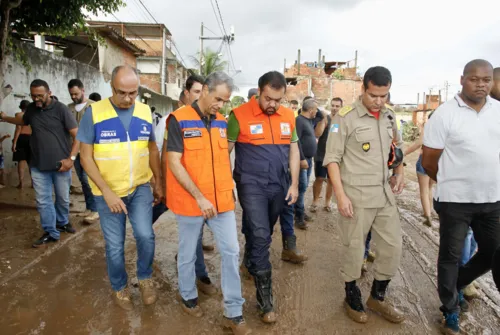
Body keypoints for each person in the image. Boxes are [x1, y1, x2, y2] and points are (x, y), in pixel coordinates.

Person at [166, 71, 251, 334]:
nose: (220, 105)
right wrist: (199, 197)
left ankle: (233, 312)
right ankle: (188, 296)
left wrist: (229, 189)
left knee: (230, 251)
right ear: (203, 90)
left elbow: (222, 160)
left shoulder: (222, 122)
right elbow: (173, 162)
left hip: (221, 201)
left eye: (225, 101)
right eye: (218, 98)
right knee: (189, 251)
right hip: (192, 201)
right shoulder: (178, 119)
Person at [422, 59, 500, 335]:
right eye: (475, 79)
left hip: (492, 200)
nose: (481, 84)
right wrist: (451, 182)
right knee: (450, 256)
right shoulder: (445, 114)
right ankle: (450, 310)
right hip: (455, 200)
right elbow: (430, 161)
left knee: (492, 252)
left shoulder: (498, 111)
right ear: (462, 79)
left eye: (486, 79)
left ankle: (457, 284)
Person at [324, 66, 405, 325]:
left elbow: (397, 148)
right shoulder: (344, 118)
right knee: (354, 249)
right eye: (374, 96)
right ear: (363, 89)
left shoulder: (390, 116)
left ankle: (377, 297)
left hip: (384, 194)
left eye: (384, 96)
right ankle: (352, 295)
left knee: (393, 247)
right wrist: (340, 196)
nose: (379, 101)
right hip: (356, 196)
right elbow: (332, 159)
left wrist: (399, 172)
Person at [77, 65, 163, 310]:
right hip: (108, 192)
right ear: (111, 87)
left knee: (146, 235)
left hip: (139, 188)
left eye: (133, 93)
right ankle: (119, 286)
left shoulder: (146, 112)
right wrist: (106, 191)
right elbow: (85, 157)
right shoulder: (93, 113)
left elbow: (152, 148)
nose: (127, 99)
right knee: (115, 245)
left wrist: (158, 180)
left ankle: (145, 278)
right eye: (121, 92)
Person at [228, 71, 300, 323]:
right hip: (251, 184)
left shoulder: (289, 116)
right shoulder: (238, 116)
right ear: (259, 92)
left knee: (265, 230)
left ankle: (250, 258)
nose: (273, 105)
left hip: (278, 185)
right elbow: (225, 150)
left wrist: (294, 184)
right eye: (268, 98)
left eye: (278, 100)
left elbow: (293, 150)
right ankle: (265, 301)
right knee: (261, 235)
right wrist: (225, 183)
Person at [0, 79, 79, 247]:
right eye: (33, 96)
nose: (36, 99)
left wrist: (71, 159)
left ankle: (63, 222)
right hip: (38, 165)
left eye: (40, 96)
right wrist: (6, 118)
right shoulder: (31, 110)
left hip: (61, 166)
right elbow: (23, 121)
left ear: (49, 93)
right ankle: (51, 231)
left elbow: (77, 135)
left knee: (63, 199)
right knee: (43, 201)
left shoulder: (61, 110)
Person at [161, 75, 217, 296]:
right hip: (181, 189)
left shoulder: (209, 121)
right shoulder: (174, 120)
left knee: (195, 231)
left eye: (203, 92)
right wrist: (160, 186)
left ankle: (192, 262)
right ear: (185, 94)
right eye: (196, 92)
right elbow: (165, 156)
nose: (200, 97)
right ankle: (198, 274)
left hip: (201, 190)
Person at [67, 79, 98, 223]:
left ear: (83, 90)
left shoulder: (94, 106)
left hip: (90, 151)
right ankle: (89, 207)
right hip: (75, 150)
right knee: (82, 180)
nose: (73, 97)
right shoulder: (68, 108)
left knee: (88, 180)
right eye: (71, 94)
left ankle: (96, 210)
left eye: (76, 93)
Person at [310, 98, 341, 213]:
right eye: (333, 105)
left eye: (337, 106)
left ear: (341, 107)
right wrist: (322, 121)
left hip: (336, 156)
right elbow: (317, 134)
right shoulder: (325, 119)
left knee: (332, 180)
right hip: (321, 154)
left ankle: (327, 203)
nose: (335, 108)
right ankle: (315, 201)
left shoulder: (343, 121)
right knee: (319, 178)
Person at [404, 115, 435, 227]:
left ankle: (427, 217)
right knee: (430, 188)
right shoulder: (446, 127)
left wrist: (404, 153)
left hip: (425, 160)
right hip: (437, 162)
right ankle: (430, 211)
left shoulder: (428, 126)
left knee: (424, 190)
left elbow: (418, 143)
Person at [292, 98, 318, 230]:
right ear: (311, 110)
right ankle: (299, 218)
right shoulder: (299, 121)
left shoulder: (308, 120)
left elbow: (322, 115)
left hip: (308, 160)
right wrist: (301, 159)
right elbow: (296, 142)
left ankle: (300, 212)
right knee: (301, 189)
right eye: (316, 109)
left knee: (303, 187)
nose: (317, 111)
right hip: (301, 161)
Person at [11, 100, 32, 188]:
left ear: (20, 107)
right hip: (31, 138)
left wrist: (14, 142)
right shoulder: (33, 116)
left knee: (21, 161)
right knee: (31, 162)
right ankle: (33, 183)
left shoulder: (18, 115)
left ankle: (21, 183)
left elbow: (18, 129)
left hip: (21, 138)